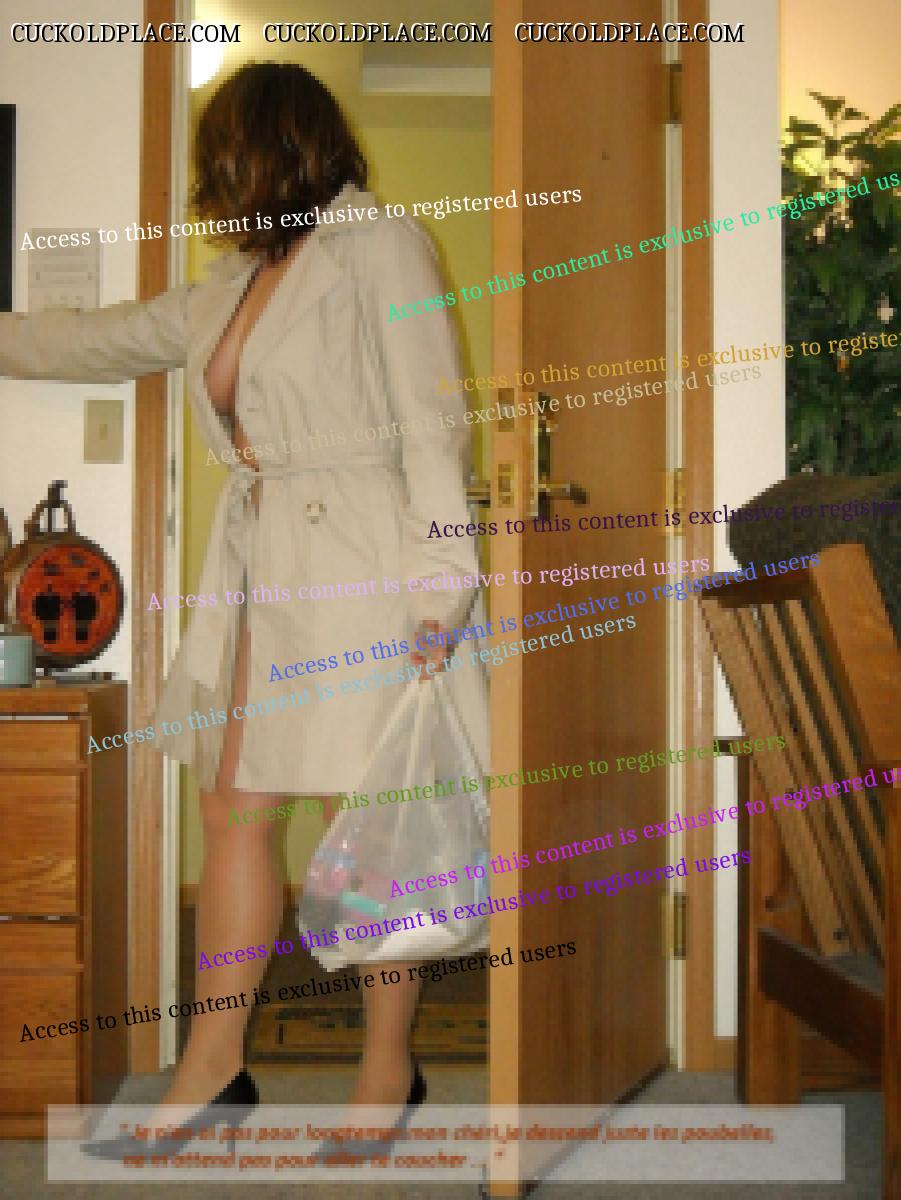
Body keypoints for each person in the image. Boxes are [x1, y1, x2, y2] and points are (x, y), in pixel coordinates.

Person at [0, 62, 486, 1150]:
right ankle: (211, 1066)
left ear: (279, 147)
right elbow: (91, 339)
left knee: (372, 827)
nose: (215, 180)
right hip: (261, 572)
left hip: (364, 568)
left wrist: (440, 585)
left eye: (226, 156)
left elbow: (434, 425)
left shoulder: (379, 244)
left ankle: (386, 1066)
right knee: (234, 813)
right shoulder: (228, 284)